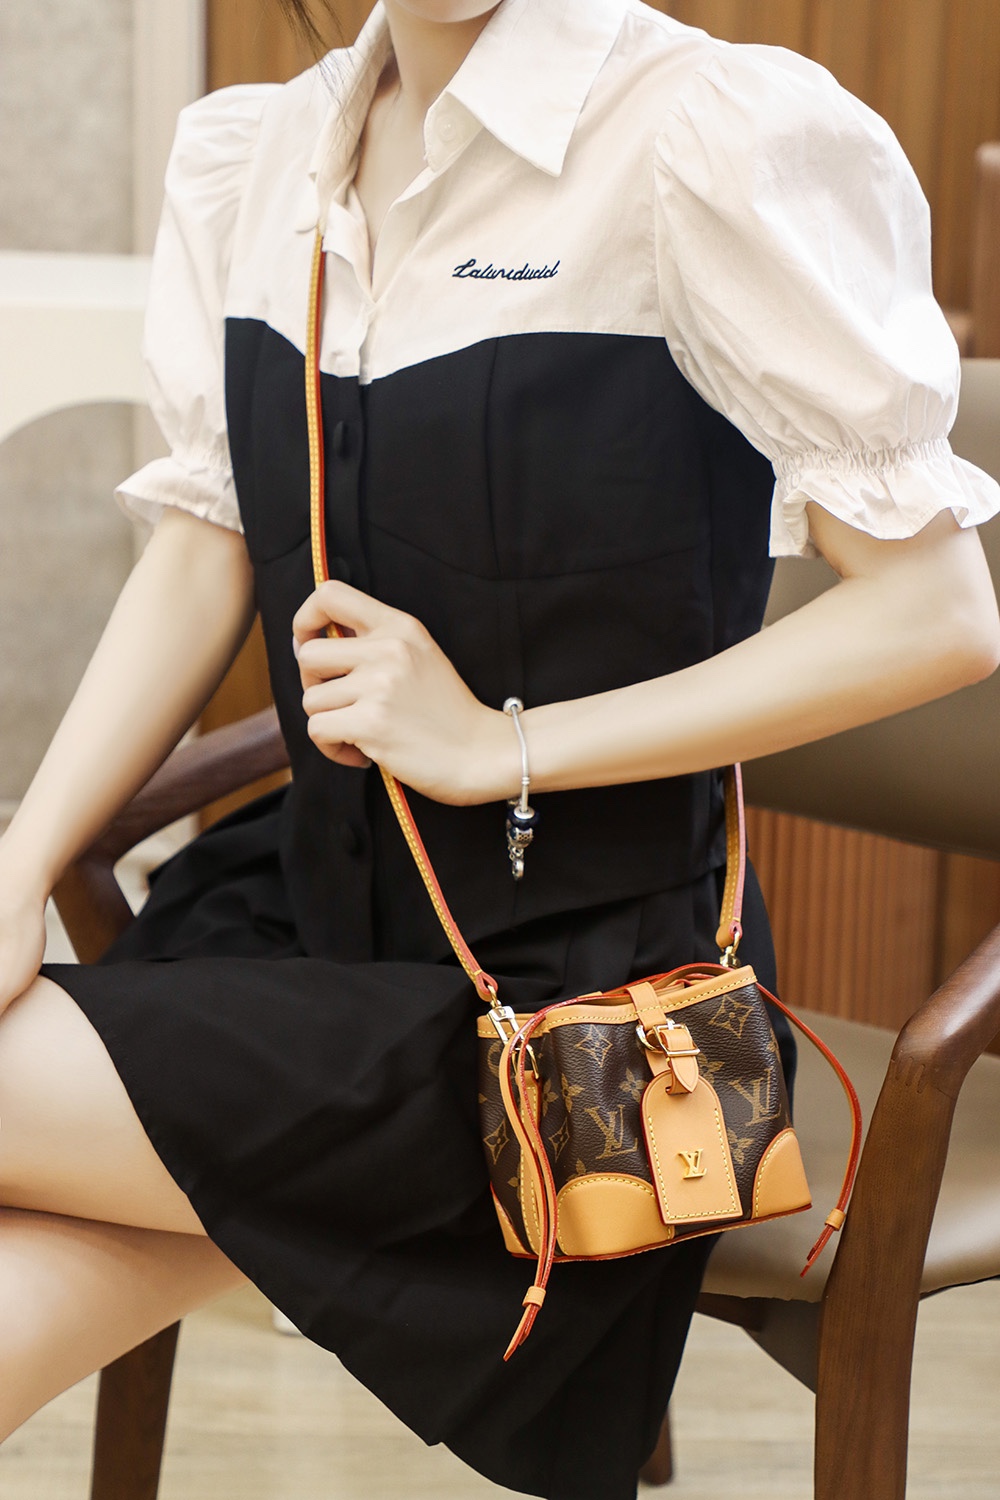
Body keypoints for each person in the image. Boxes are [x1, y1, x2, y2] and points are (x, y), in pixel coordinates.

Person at [1, 0, 998, 1495]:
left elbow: (938, 616)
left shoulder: (702, 137)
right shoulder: (258, 152)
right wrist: (19, 863)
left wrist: (496, 746)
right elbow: (210, 538)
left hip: (574, 1023)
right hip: (310, 913)